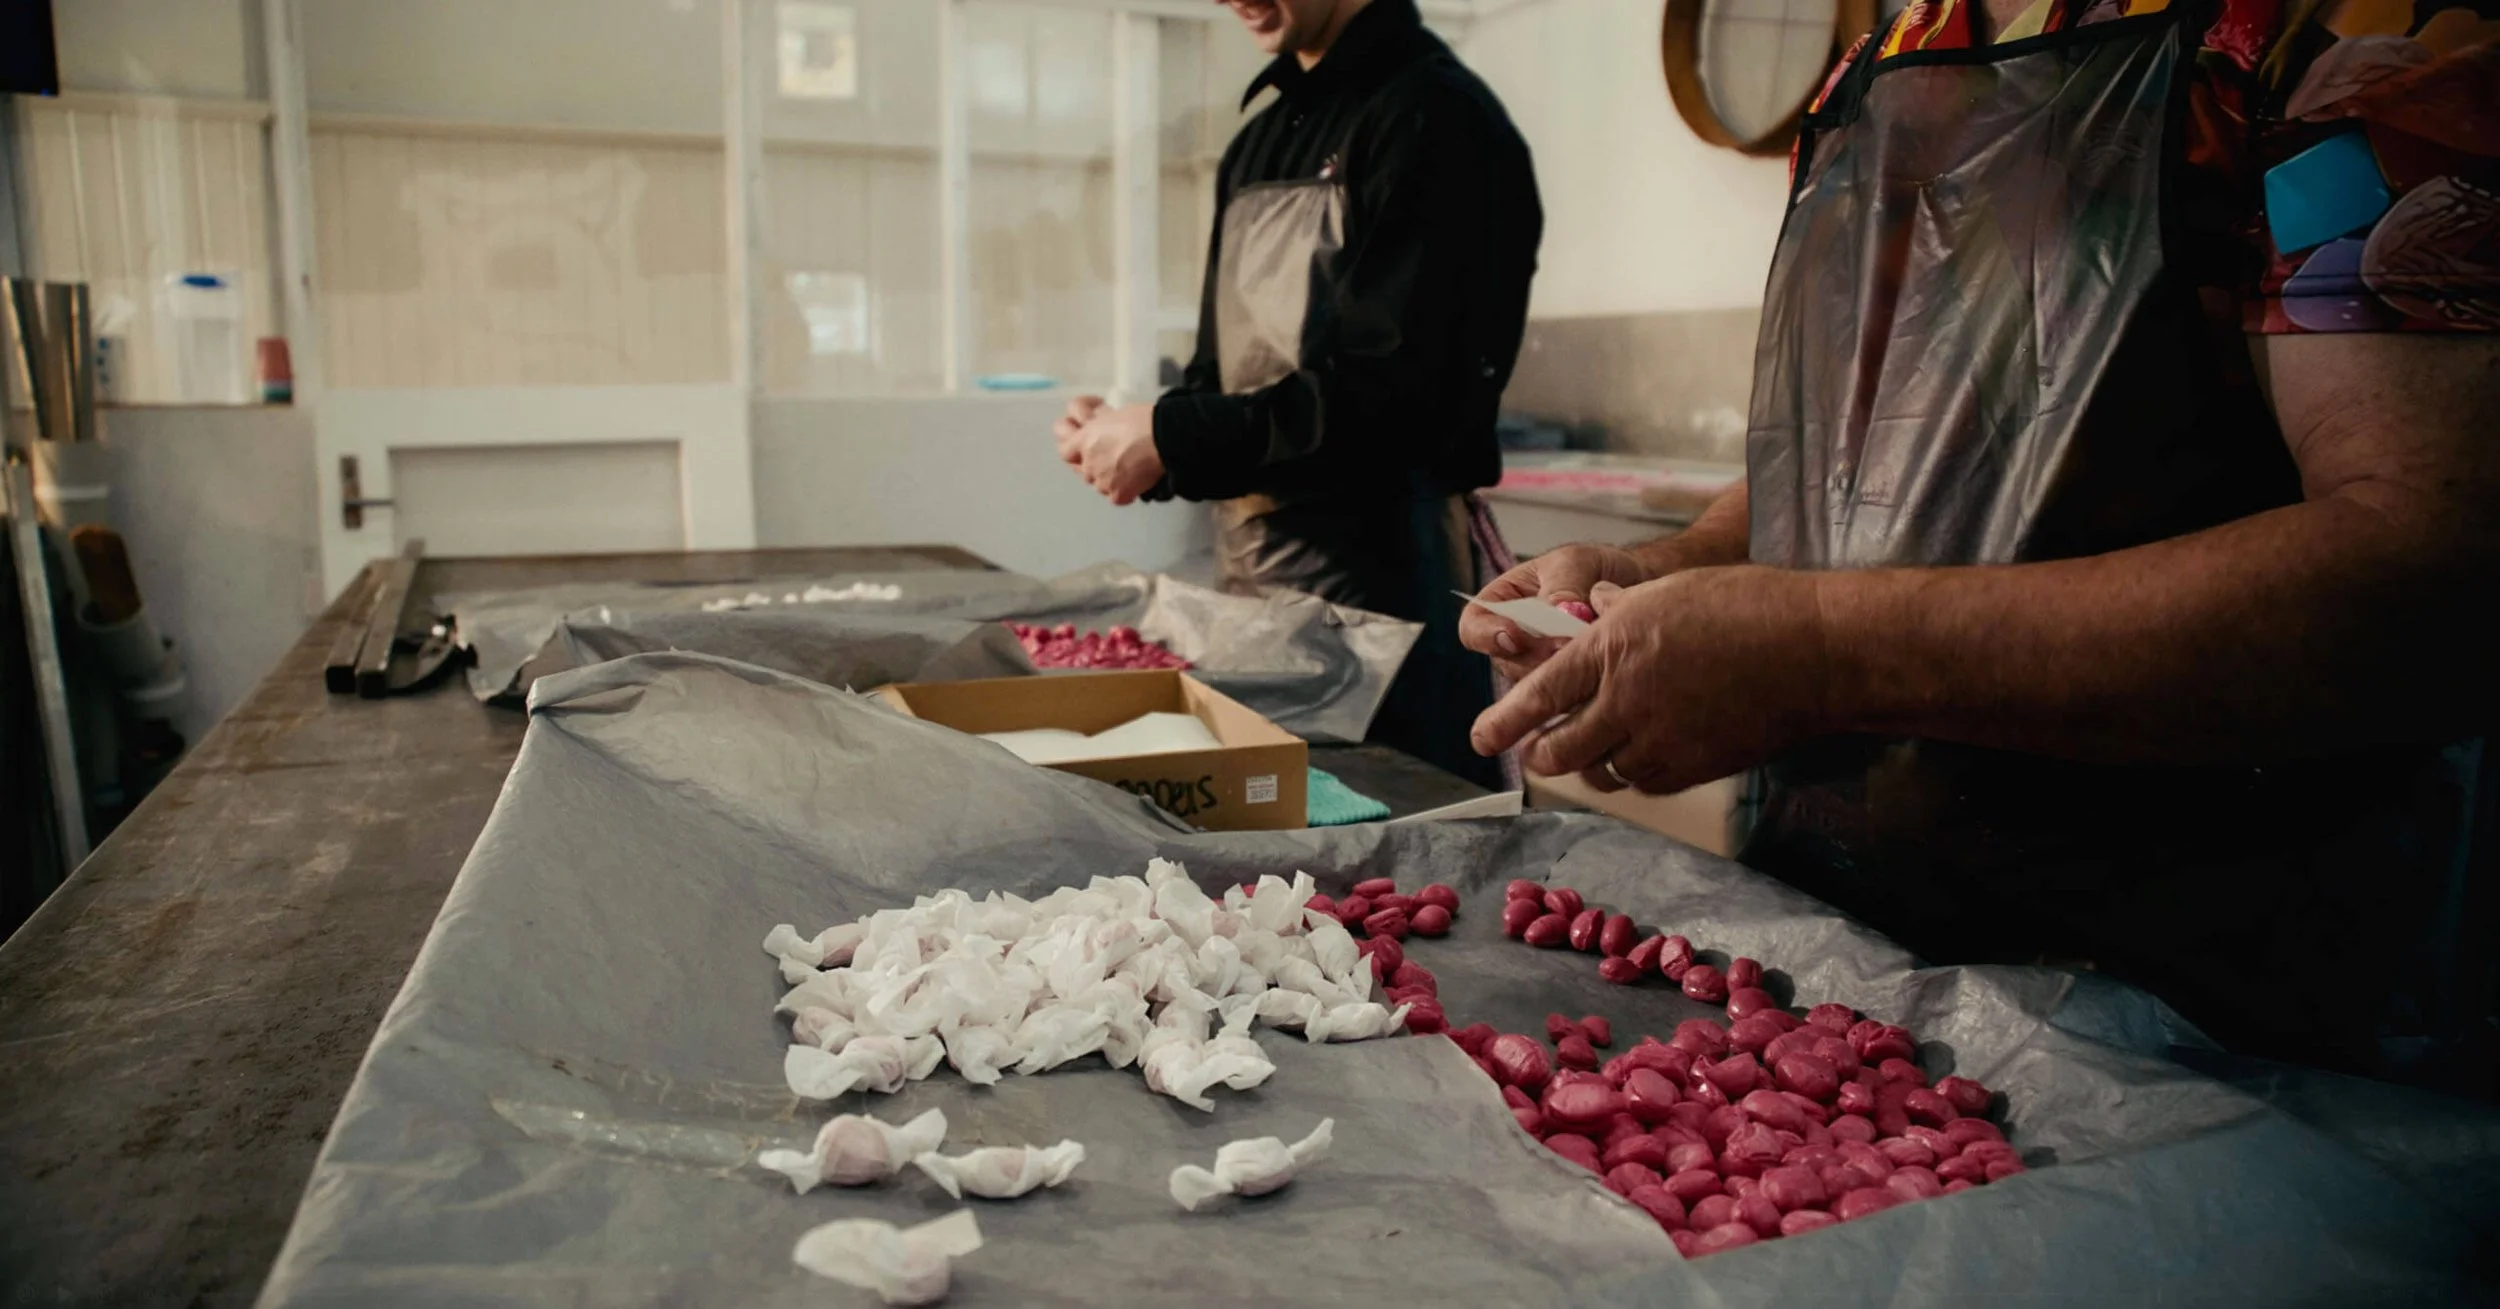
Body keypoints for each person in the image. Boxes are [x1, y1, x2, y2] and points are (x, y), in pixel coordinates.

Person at [1464, 0, 2500, 1095]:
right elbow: (1846, 463)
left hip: (2218, 1018)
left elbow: (2429, 567)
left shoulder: (2333, 43)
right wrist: (1668, 571)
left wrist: (1822, 651)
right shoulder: (1884, 70)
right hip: (1850, 967)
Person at [1054, 0, 1541, 789]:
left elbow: (1395, 404)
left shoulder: (1436, 120)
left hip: (1388, 614)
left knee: (1395, 845)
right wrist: (1140, 435)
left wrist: (1175, 436)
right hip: (1252, 607)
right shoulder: (1258, 142)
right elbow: (1224, 381)